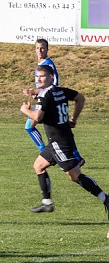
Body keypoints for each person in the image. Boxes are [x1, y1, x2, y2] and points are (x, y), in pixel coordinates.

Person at [19, 66, 109, 234]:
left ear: (51, 77)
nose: (39, 79)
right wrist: (74, 119)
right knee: (38, 165)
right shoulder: (60, 91)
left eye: (42, 76)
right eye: (37, 76)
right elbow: (80, 98)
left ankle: (106, 199)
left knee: (75, 176)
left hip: (59, 143)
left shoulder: (45, 95)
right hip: (58, 140)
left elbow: (37, 118)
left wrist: (25, 111)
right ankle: (47, 202)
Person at [22, 39, 59, 155]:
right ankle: (76, 157)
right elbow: (44, 85)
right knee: (59, 132)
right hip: (44, 100)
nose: (40, 50)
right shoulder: (42, 64)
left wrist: (34, 91)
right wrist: (35, 94)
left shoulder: (47, 65)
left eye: (42, 48)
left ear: (47, 49)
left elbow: (54, 85)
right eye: (37, 48)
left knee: (30, 126)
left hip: (49, 102)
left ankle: (45, 153)